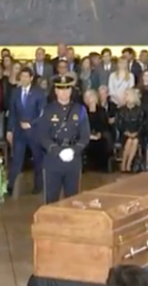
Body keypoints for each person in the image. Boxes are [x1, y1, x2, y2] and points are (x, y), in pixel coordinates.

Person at [39, 75, 90, 204]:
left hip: (73, 161)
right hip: (53, 160)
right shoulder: (48, 110)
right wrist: (56, 150)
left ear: (71, 91)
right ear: (56, 91)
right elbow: (42, 135)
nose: (64, 93)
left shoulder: (80, 110)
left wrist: (74, 150)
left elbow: (85, 136)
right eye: (61, 89)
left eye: (67, 89)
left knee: (73, 200)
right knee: (51, 200)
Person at [6, 67, 45, 196]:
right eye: (21, 77)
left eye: (26, 77)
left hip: (34, 132)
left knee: (37, 159)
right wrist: (9, 130)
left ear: (31, 78)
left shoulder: (39, 93)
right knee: (16, 159)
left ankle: (38, 185)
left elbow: (42, 113)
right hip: (19, 133)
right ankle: (10, 186)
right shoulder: (15, 93)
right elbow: (12, 113)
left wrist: (30, 124)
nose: (23, 79)